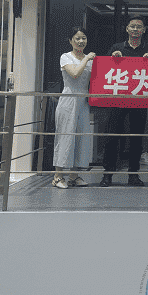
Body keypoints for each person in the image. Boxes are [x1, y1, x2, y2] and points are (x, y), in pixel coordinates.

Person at [98, 15, 148, 187]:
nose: (135, 29)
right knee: (112, 137)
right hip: (118, 99)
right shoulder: (116, 48)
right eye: (132, 26)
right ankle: (107, 174)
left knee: (136, 138)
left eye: (139, 27)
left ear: (143, 30)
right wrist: (112, 58)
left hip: (139, 100)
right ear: (127, 29)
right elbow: (104, 69)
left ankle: (133, 175)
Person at [53, 27, 96, 189]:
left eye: (83, 38)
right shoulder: (66, 57)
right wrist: (87, 59)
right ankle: (58, 176)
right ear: (71, 40)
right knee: (65, 136)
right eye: (77, 38)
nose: (81, 41)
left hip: (83, 101)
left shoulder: (90, 59)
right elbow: (75, 74)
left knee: (81, 138)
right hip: (68, 100)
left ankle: (74, 176)